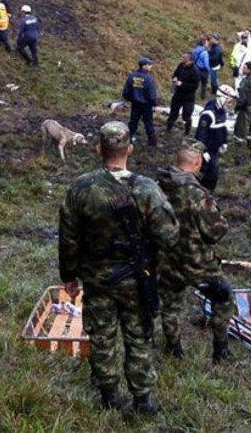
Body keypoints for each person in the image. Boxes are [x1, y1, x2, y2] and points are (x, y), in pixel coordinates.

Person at [58, 122, 179, 414]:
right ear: (130, 149)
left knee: (102, 337)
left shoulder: (81, 188)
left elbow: (68, 237)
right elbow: (170, 236)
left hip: (98, 280)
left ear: (98, 149)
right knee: (139, 338)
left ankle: (109, 396)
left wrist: (69, 276)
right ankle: (143, 400)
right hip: (138, 280)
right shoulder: (148, 189)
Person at [156, 142, 236, 363]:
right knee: (224, 298)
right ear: (198, 163)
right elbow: (215, 232)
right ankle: (221, 351)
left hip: (167, 261)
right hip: (197, 263)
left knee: (170, 305)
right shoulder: (196, 194)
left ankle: (174, 348)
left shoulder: (155, 187)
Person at [195, 85, 234, 193]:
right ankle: (202, 194)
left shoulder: (222, 112)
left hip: (215, 150)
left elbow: (223, 128)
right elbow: (200, 135)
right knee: (204, 174)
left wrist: (224, 142)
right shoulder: (208, 114)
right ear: (222, 98)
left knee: (213, 174)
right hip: (207, 151)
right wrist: (203, 152)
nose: (230, 104)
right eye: (229, 101)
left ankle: (208, 194)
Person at [123, 58, 159, 146]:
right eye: (149, 65)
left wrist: (130, 99)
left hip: (135, 103)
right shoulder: (148, 78)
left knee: (133, 122)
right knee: (148, 123)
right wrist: (154, 104)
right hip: (146, 105)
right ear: (144, 66)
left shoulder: (132, 76)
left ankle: (128, 140)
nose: (151, 66)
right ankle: (152, 142)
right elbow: (151, 93)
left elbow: (126, 91)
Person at [166, 52, 200, 136]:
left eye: (183, 57)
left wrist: (182, 84)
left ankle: (187, 132)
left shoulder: (195, 71)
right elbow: (175, 74)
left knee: (186, 116)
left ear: (189, 59)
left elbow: (195, 86)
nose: (181, 58)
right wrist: (174, 78)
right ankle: (168, 129)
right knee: (173, 112)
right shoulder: (180, 65)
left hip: (188, 97)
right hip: (178, 94)